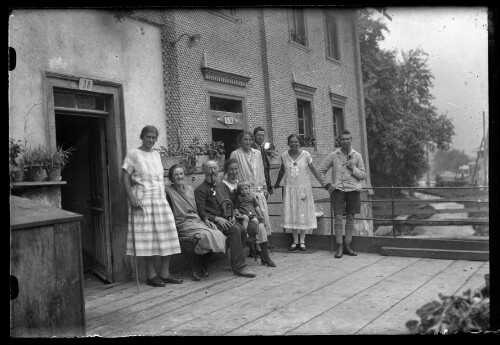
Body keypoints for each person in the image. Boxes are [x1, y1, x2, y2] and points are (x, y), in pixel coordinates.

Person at [122, 125, 183, 287]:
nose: (151, 140)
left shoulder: (157, 155)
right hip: (142, 202)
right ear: (142, 137)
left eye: (154, 138)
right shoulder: (133, 154)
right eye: (148, 137)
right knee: (148, 240)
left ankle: (165, 273)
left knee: (167, 236)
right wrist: (131, 198)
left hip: (159, 200)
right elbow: (125, 177)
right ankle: (151, 275)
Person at [194, 160, 256, 277]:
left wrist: (231, 215)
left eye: (214, 168)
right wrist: (217, 219)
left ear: (218, 170)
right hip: (212, 222)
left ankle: (236, 262)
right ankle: (239, 267)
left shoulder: (221, 186)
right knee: (235, 230)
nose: (212, 171)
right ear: (204, 170)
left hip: (226, 219)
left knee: (242, 229)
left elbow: (228, 204)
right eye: (209, 168)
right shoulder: (200, 190)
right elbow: (201, 212)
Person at [165, 164, 227, 281]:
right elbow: (169, 213)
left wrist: (206, 220)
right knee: (202, 236)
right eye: (176, 175)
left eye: (181, 174)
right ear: (171, 178)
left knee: (217, 233)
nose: (179, 177)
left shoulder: (189, 189)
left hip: (196, 220)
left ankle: (203, 265)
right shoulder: (169, 192)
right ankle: (196, 268)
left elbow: (198, 208)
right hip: (181, 223)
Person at [317, 129, 367, 258]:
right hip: (338, 190)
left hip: (353, 190)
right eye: (343, 139)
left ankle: (347, 245)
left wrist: (353, 168)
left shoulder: (357, 156)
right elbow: (320, 171)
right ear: (339, 140)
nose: (345, 141)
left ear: (351, 140)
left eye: (347, 139)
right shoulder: (334, 155)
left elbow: (363, 175)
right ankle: (339, 246)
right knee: (338, 218)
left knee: (350, 218)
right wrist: (327, 185)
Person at [230, 131, 276, 266]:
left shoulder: (257, 153)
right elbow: (234, 172)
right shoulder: (236, 154)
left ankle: (263, 254)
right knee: (253, 221)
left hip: (258, 191)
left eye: (250, 139)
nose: (248, 142)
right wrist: (240, 190)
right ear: (240, 141)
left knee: (261, 221)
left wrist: (265, 186)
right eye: (245, 139)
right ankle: (254, 249)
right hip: (244, 193)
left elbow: (261, 170)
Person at [273, 134, 323, 251]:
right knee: (293, 214)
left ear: (299, 143)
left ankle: (302, 241)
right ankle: (295, 241)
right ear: (288, 143)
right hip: (290, 189)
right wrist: (277, 183)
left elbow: (314, 170)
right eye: (291, 142)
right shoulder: (284, 156)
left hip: (303, 190)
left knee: (302, 214)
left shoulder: (306, 155)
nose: (294, 144)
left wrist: (323, 183)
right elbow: (282, 171)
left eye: (296, 142)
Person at [221, 158, 262, 259]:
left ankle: (262, 253)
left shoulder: (241, 184)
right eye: (231, 169)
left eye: (236, 169)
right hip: (234, 215)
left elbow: (250, 199)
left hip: (246, 213)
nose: (234, 172)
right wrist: (234, 214)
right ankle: (245, 253)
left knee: (260, 225)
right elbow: (226, 204)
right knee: (248, 225)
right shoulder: (223, 185)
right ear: (226, 170)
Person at [252, 126, 273, 197]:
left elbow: (266, 168)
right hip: (255, 184)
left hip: (264, 183)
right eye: (258, 135)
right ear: (254, 136)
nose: (260, 137)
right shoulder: (251, 148)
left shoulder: (262, 148)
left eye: (262, 135)